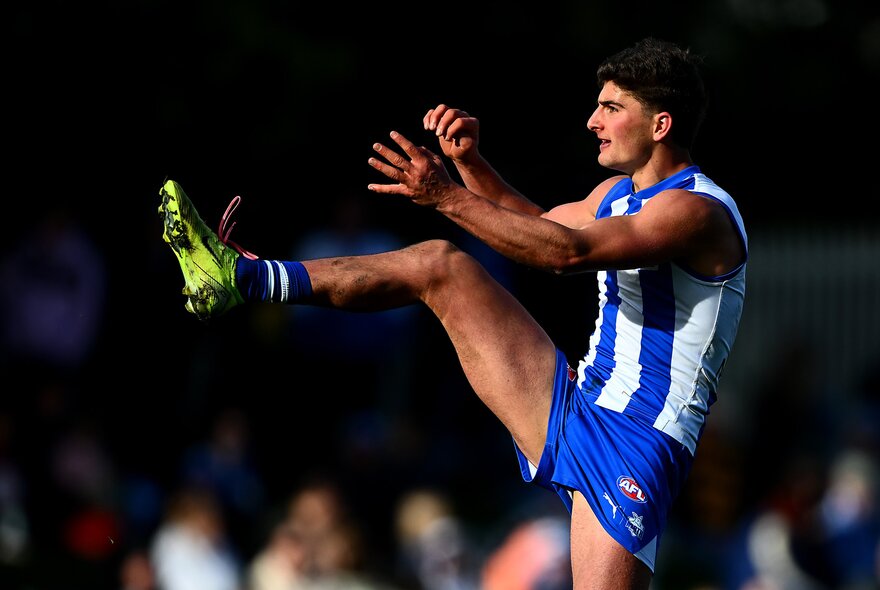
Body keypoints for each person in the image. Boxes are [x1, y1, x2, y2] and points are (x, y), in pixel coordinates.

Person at [158, 37, 747, 589]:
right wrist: (471, 166)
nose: (593, 121)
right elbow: (536, 227)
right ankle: (241, 277)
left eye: (611, 108)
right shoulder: (617, 195)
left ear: (660, 124)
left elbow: (566, 253)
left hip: (637, 441)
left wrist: (444, 196)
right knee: (439, 265)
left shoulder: (697, 211)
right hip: (577, 397)